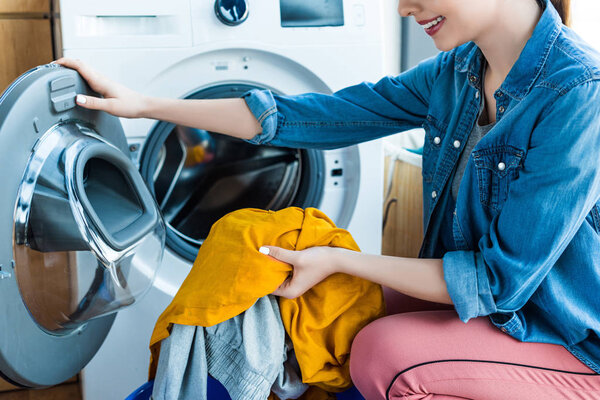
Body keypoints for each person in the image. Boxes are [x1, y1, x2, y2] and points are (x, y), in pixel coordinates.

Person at [56, 0, 600, 397]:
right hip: (480, 307)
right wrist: (144, 105)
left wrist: (341, 257)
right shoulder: (457, 73)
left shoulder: (579, 92)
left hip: (561, 332)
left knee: (381, 351)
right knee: (297, 290)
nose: (404, 7)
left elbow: (497, 283)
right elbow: (306, 116)